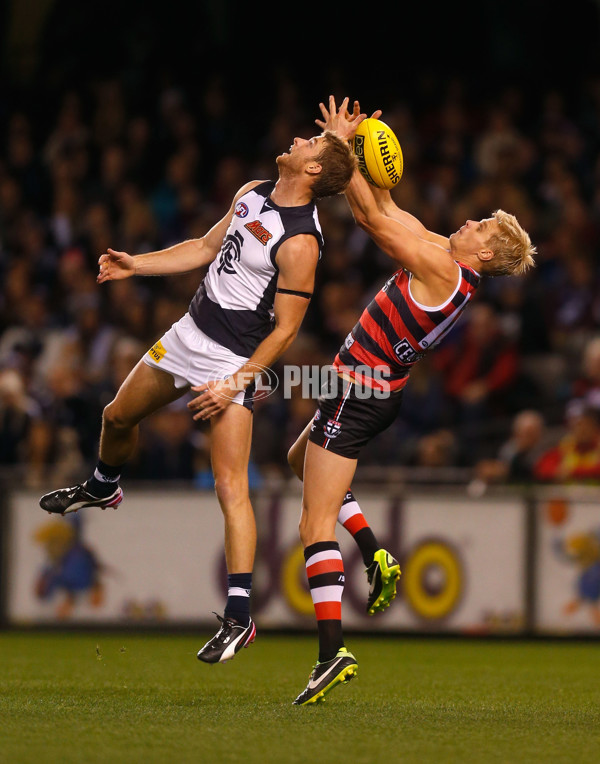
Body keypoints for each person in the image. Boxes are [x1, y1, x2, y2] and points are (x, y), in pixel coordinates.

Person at [39, 125, 358, 663]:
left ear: (312, 172)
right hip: (187, 334)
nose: (298, 140)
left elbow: (284, 330)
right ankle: (103, 486)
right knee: (115, 418)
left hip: (233, 360)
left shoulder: (302, 240)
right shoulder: (252, 192)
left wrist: (235, 383)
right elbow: (205, 248)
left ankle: (239, 617)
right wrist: (136, 264)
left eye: (309, 144)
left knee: (231, 486)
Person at [289, 96, 536, 706]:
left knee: (313, 522)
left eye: (479, 227)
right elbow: (387, 207)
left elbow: (372, 223)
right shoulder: (447, 257)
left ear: (483, 254)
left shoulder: (442, 267)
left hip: (357, 389)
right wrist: (356, 150)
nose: (468, 223)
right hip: (364, 385)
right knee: (299, 459)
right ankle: (375, 555)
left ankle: (331, 652)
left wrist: (341, 150)